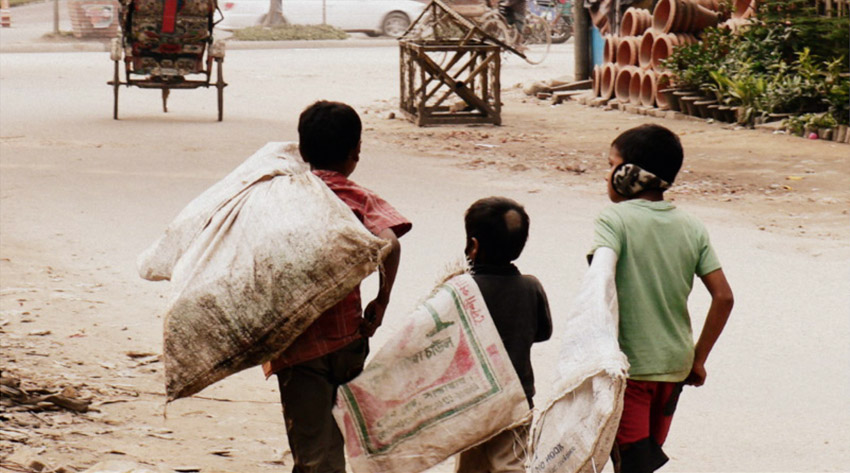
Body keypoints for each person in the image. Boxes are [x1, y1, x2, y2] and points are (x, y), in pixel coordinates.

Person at [262, 101, 412, 473]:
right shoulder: (358, 198)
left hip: (298, 347)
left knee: (314, 449)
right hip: (348, 339)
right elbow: (391, 244)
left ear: (303, 151)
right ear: (355, 151)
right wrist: (382, 300)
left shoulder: (282, 196)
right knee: (347, 434)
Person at [588, 124, 734, 473]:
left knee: (632, 464)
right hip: (675, 367)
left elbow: (598, 280)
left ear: (628, 173)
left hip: (632, 368)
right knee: (644, 460)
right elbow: (724, 297)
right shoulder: (692, 225)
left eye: (611, 165)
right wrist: (698, 358)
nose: (607, 175)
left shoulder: (613, 219)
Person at [455, 196, 552, 473]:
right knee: (511, 464)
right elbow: (543, 332)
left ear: (473, 246)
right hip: (517, 397)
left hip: (473, 398)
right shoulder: (531, 287)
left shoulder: (461, 289)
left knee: (471, 465)